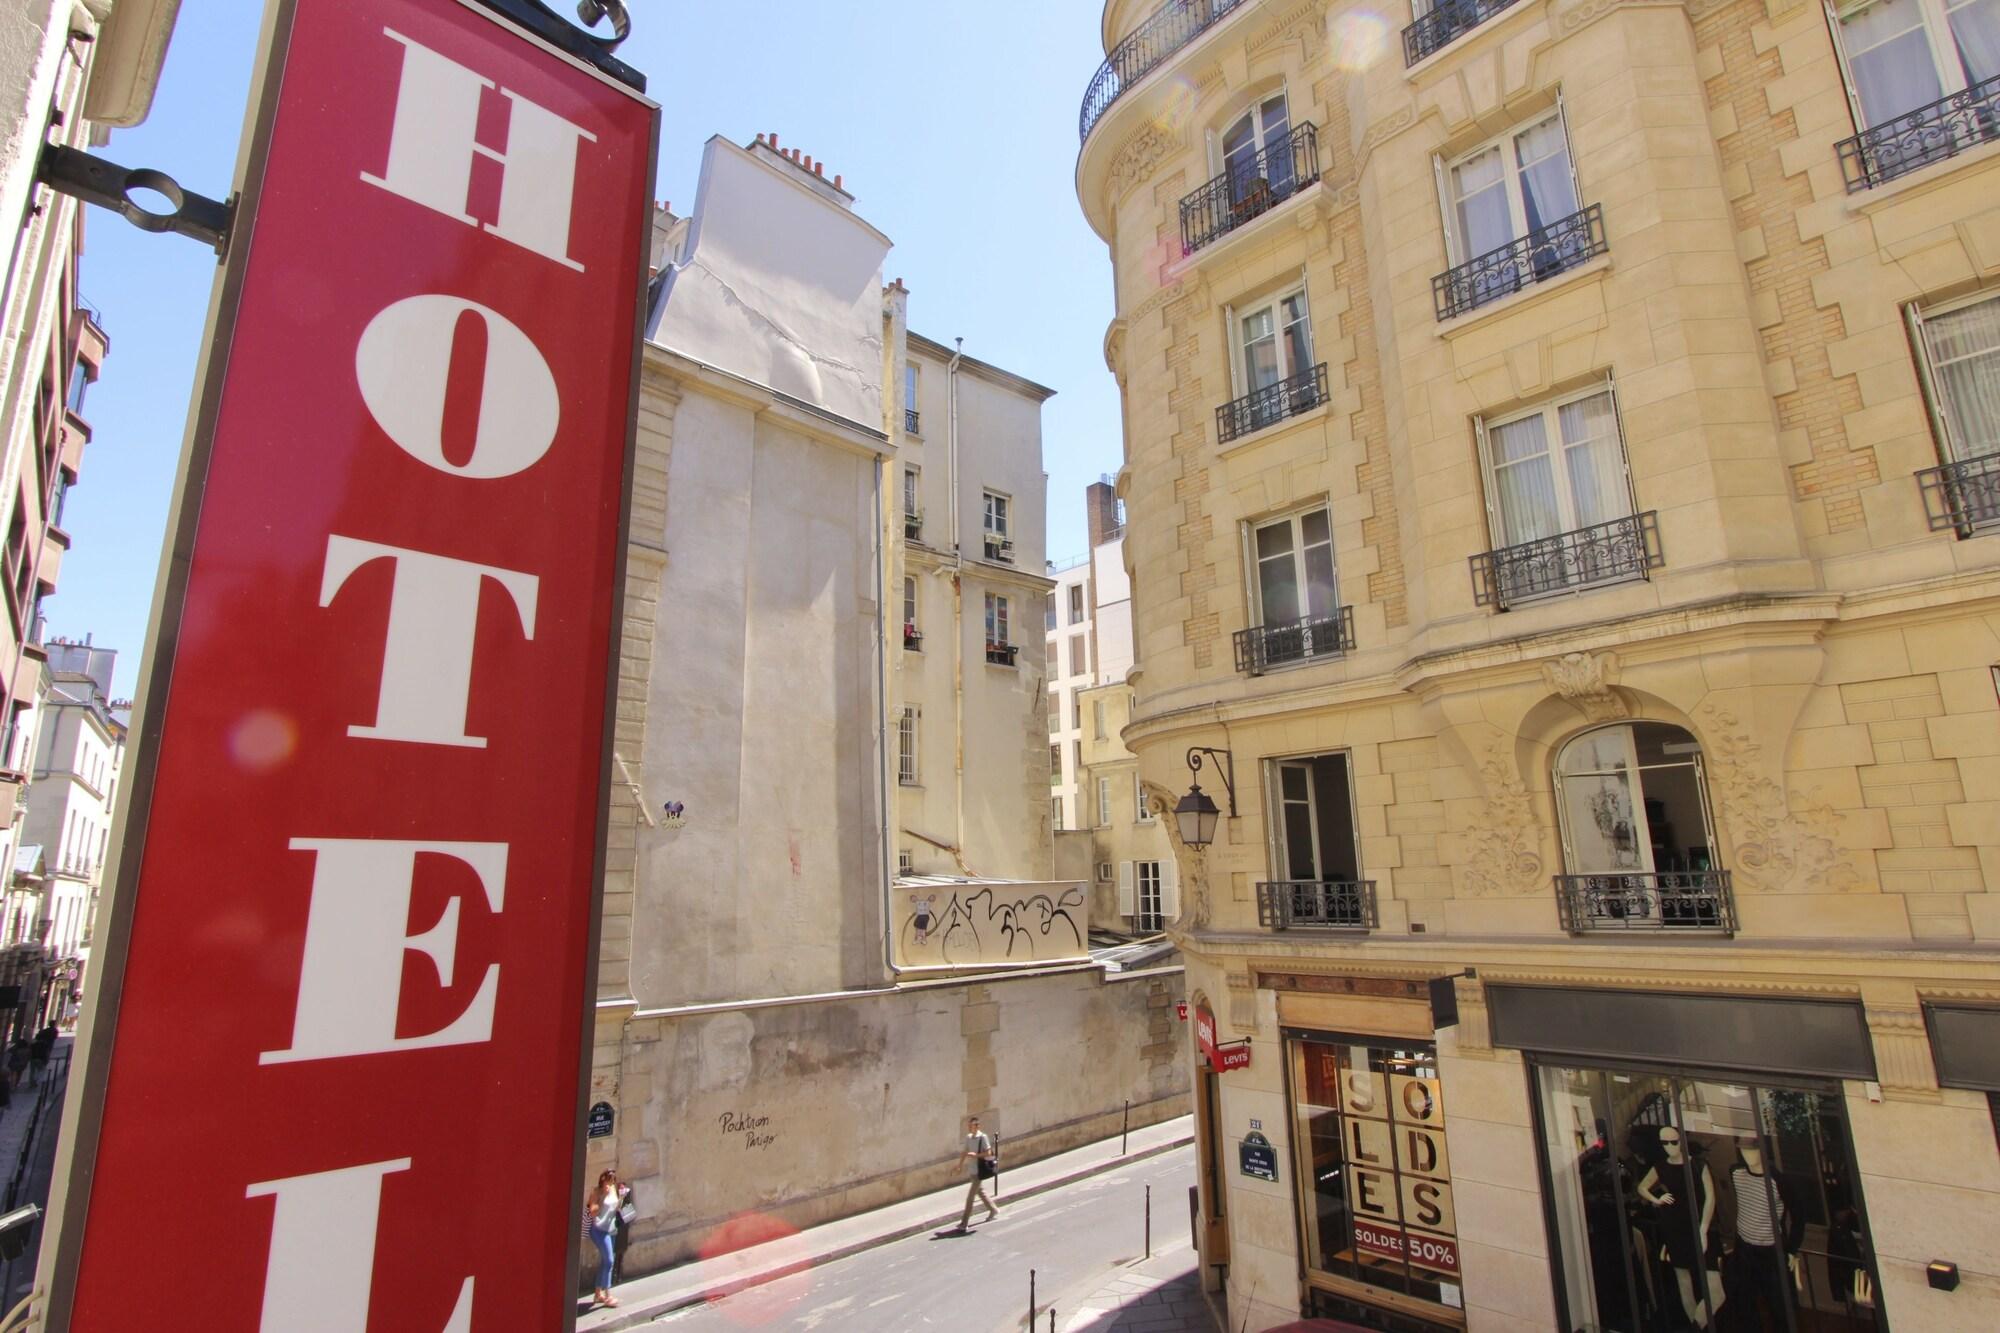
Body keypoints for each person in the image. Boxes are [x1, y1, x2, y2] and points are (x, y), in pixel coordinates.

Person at [585, 1169, 630, 1308]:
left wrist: (622, 1197)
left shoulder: (613, 1189)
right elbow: (592, 1212)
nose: (611, 1183)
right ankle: (608, 1296)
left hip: (611, 1230)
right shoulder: (596, 1192)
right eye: (609, 1180)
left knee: (605, 1261)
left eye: (613, 1180)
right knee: (609, 1260)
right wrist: (603, 1195)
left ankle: (598, 1294)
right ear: (602, 1179)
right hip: (598, 1230)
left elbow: (616, 1208)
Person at [957, 1116, 999, 1231]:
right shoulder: (968, 1137)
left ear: (978, 1126)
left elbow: (989, 1152)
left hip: (979, 1171)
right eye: (970, 1125)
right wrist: (959, 1165)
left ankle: (964, 1223)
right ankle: (993, 1209)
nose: (971, 1127)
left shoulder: (983, 1137)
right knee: (980, 1192)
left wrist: (976, 1155)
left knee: (970, 1197)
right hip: (972, 1170)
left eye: (974, 1125)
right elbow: (965, 1152)